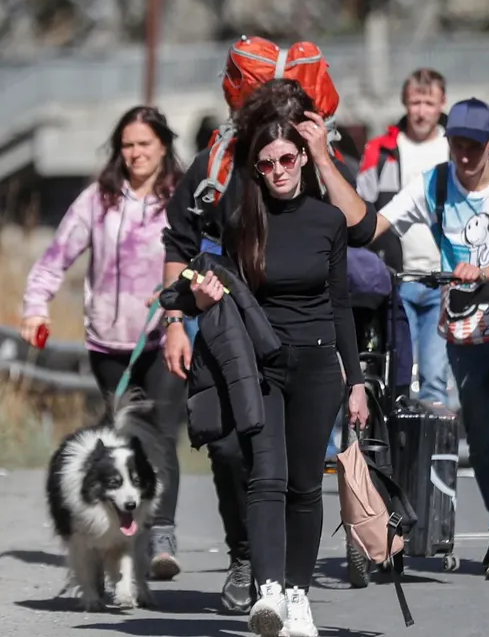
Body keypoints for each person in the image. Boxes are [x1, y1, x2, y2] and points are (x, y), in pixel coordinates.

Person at [161, 54, 380, 614]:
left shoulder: (326, 207)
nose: (279, 167)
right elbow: (186, 253)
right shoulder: (232, 199)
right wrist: (180, 314)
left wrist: (354, 380)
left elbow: (357, 248)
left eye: (290, 156)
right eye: (269, 160)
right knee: (255, 468)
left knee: (305, 484)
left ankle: (295, 596)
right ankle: (264, 585)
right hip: (253, 359)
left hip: (316, 361)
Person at [373, 97, 489, 579]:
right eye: (456, 145)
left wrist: (487, 271)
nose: (463, 156)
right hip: (463, 334)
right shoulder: (435, 183)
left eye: (472, 146)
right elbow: (376, 224)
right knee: (482, 442)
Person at [21, 105, 189, 581]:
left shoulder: (181, 196)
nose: (135, 153)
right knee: (120, 438)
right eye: (128, 145)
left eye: (145, 144)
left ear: (163, 146)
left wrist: (179, 294)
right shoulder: (99, 199)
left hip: (163, 337)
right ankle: (121, 542)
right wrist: (36, 306)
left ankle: (162, 537)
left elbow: (204, 255)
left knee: (158, 434)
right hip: (107, 344)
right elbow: (57, 256)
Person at [357, 68, 455, 408]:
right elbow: (361, 209)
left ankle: (432, 460)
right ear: (404, 102)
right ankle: (395, 457)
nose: (422, 111)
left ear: (442, 103)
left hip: (443, 282)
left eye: (429, 102)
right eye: (416, 102)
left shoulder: (454, 149)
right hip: (395, 281)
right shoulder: (382, 151)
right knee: (393, 378)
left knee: (434, 380)